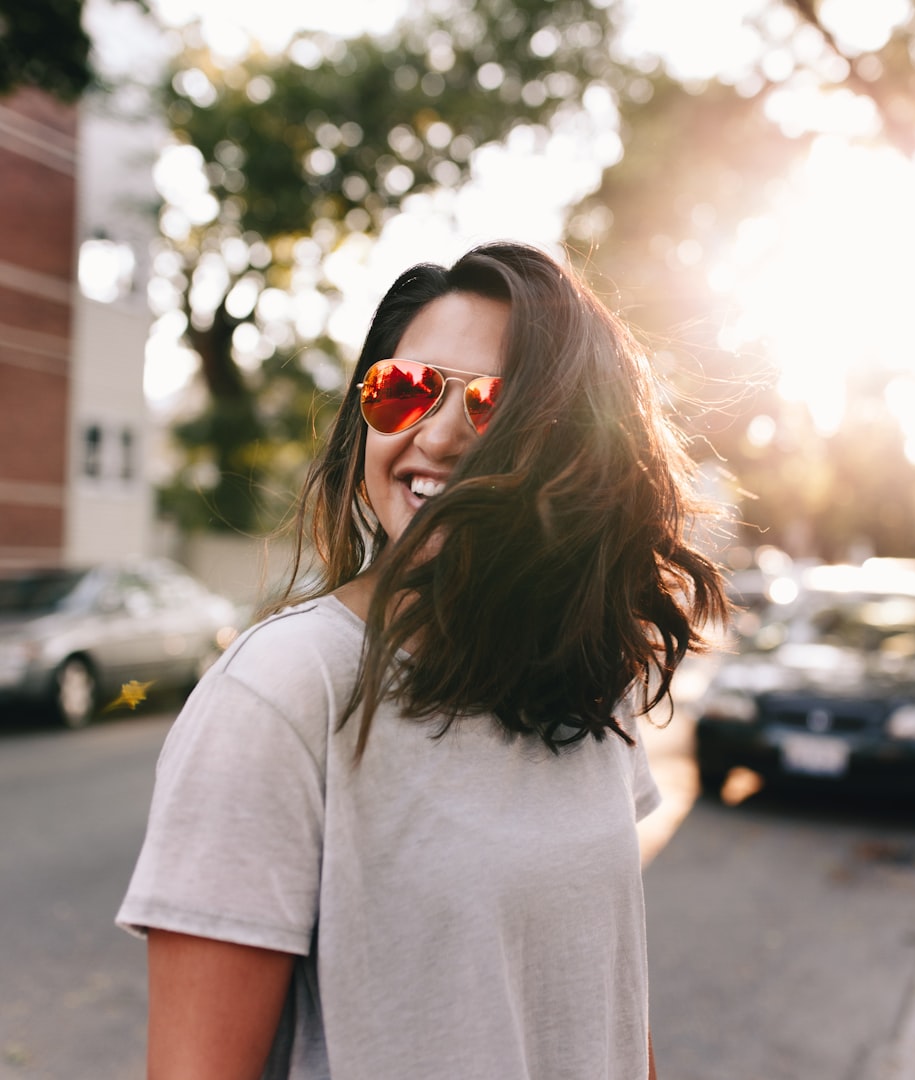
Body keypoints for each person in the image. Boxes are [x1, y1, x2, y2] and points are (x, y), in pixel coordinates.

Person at [117, 240, 727, 1080]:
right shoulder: (283, 691)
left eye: (491, 406)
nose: (435, 437)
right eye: (403, 392)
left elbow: (606, 1007)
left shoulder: (586, 679)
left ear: (577, 449)